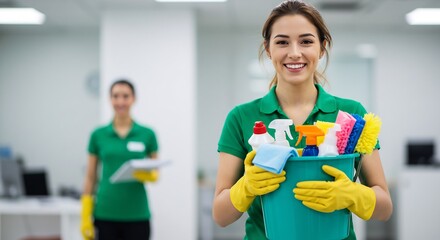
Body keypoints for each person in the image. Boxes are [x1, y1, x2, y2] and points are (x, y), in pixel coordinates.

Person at [212, 1, 393, 239]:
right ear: (268, 49)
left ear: (321, 48)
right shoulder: (241, 118)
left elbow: (384, 208)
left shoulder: (350, 113)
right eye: (282, 42)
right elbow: (221, 216)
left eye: (306, 41)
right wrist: (245, 187)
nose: (294, 52)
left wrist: (353, 194)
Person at [80, 79, 159, 240]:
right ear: (110, 99)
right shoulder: (98, 135)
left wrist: (151, 175)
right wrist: (85, 213)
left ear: (133, 99)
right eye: (116, 96)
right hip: (105, 212)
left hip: (138, 214)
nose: (121, 101)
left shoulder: (147, 134)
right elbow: (90, 176)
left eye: (125, 96)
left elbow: (155, 168)